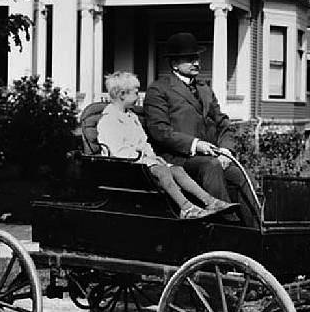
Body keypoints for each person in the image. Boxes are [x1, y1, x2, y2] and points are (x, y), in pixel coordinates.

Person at [144, 32, 260, 228]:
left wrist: (226, 150)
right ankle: (227, 228)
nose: (196, 63)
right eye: (190, 59)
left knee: (241, 175)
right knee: (211, 166)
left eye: (196, 58)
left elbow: (223, 122)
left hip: (212, 157)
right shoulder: (159, 89)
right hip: (177, 158)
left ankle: (257, 230)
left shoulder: (205, 88)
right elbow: (159, 130)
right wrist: (196, 145)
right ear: (174, 64)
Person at [96, 71, 238, 220]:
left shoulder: (132, 117)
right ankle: (186, 208)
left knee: (177, 170)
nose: (139, 97)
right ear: (122, 95)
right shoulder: (109, 120)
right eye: (136, 93)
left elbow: (143, 142)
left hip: (143, 164)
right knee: (163, 171)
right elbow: (120, 152)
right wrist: (146, 159)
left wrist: (153, 157)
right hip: (126, 168)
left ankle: (211, 202)